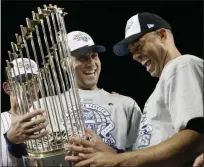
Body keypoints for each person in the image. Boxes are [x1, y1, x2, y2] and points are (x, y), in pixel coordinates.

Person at [64, 13, 203, 167]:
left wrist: (117, 160)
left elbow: (197, 136)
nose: (135, 56)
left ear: (162, 35)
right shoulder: (164, 83)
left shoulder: (182, 65)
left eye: (138, 46)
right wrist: (112, 153)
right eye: (132, 52)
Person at [6, 31, 142, 159]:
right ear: (65, 64)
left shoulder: (126, 104)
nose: (91, 64)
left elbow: (145, 155)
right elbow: (26, 155)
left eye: (94, 56)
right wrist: (12, 141)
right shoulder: (43, 106)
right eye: (82, 58)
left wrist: (112, 155)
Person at [1, 58, 48, 166]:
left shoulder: (50, 115)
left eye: (34, 80)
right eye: (22, 81)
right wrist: (12, 142)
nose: (29, 87)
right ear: (8, 88)